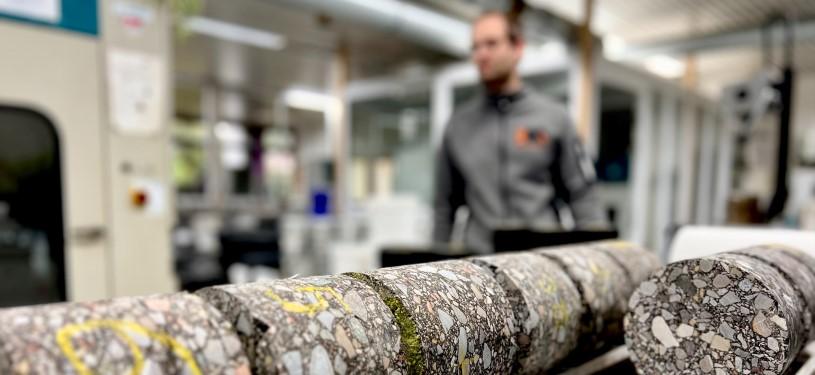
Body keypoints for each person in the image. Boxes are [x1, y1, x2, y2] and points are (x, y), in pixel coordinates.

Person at [433, 11, 605, 253]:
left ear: (517, 48)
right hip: (480, 263)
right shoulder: (458, 125)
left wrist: (596, 260)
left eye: (491, 44)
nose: (481, 55)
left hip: (541, 261)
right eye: (475, 47)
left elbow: (582, 195)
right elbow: (444, 207)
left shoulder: (554, 117)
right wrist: (432, 270)